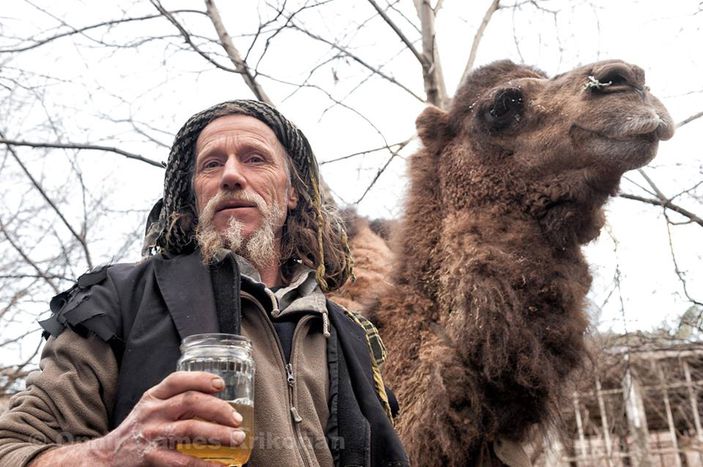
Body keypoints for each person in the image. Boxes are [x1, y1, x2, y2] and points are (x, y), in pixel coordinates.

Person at [0, 100, 409, 466]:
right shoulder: (120, 300)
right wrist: (108, 455)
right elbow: (12, 448)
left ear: (293, 194)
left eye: (254, 159)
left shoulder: (348, 333)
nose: (231, 175)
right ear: (194, 196)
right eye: (211, 164)